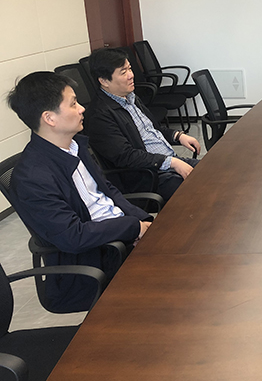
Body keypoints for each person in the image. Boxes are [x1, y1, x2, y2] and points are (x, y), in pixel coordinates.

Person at [7, 72, 153, 312]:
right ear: (49, 118)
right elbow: (73, 236)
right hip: (95, 258)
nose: (82, 108)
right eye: (73, 103)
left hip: (118, 236)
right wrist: (132, 228)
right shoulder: (32, 177)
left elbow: (108, 191)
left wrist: (143, 221)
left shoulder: (75, 146)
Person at [85, 48, 201, 202]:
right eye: (123, 72)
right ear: (104, 81)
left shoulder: (130, 97)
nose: (131, 75)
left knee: (213, 169)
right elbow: (126, 156)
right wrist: (172, 163)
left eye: (130, 69)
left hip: (165, 164)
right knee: (202, 188)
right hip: (147, 177)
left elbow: (153, 129)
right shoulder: (100, 116)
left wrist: (178, 136)